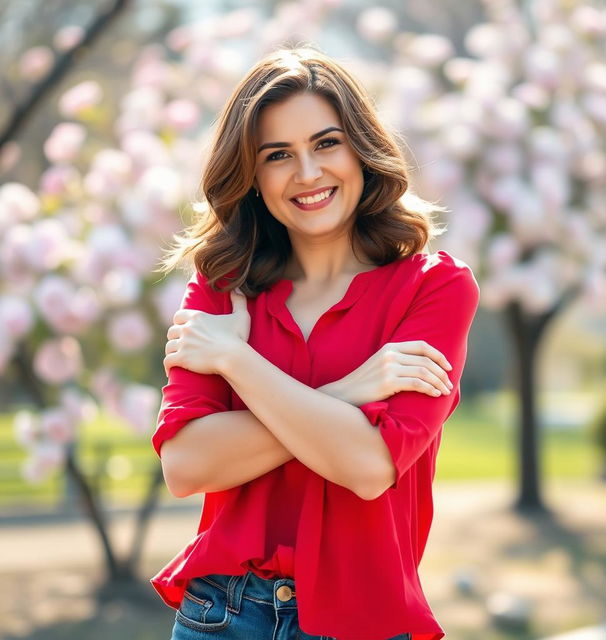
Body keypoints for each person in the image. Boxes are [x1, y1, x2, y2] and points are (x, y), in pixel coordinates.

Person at [151, 44, 480, 640]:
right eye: (278, 155)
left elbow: (367, 466)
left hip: (365, 618)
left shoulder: (435, 289)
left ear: (360, 148)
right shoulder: (223, 285)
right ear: (251, 174)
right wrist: (351, 391)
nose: (307, 174)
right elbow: (186, 464)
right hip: (222, 614)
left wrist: (234, 359)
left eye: (326, 143)